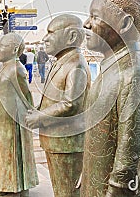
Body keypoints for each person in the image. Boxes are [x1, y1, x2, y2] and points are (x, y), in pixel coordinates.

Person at [81, 0, 140, 196]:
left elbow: (128, 161)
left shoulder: (134, 74)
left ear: (125, 24)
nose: (86, 24)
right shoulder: (115, 66)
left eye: (95, 17)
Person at [26, 14, 91, 197]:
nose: (45, 38)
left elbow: (71, 103)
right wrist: (37, 109)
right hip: (57, 139)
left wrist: (39, 117)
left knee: (67, 191)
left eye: (51, 32)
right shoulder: (62, 61)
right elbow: (52, 97)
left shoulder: (76, 65)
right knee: (60, 189)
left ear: (70, 36)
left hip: (67, 142)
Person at [0, 33, 38, 197]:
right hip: (3, 120)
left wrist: (29, 116)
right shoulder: (7, 67)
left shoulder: (17, 69)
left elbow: (26, 96)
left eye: (2, 47)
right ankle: (5, 184)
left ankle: (14, 186)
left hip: (13, 121)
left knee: (12, 152)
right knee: (4, 152)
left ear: (14, 49)